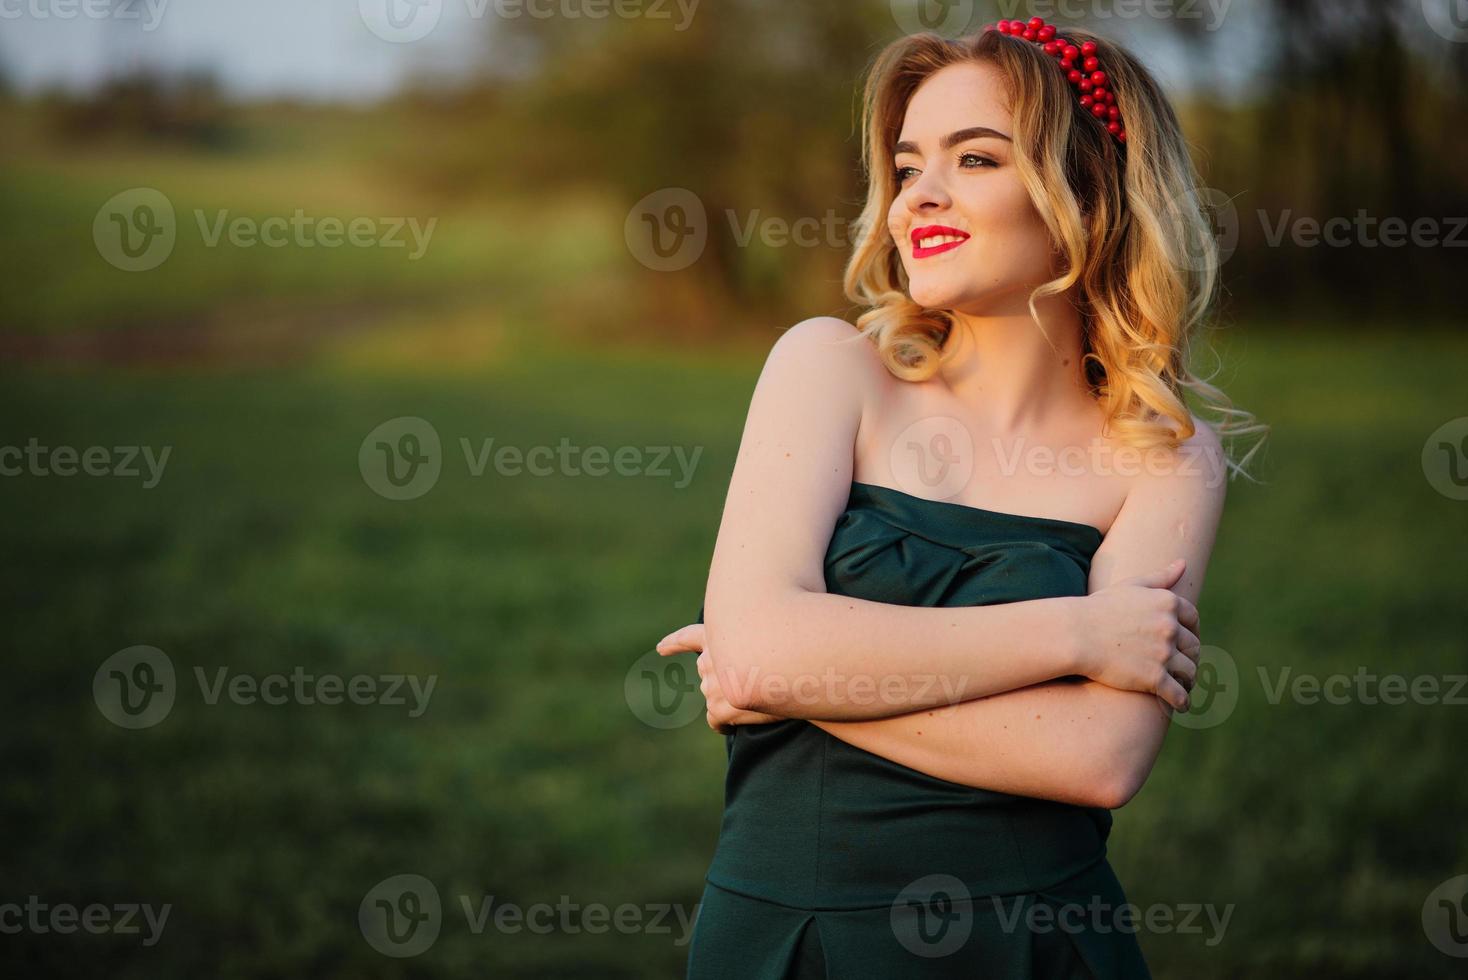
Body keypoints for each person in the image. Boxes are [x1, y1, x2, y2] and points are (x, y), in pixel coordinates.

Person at [656, 19, 1266, 979]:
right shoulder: (828, 369)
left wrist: (793, 681)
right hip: (787, 938)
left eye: (974, 158)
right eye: (906, 167)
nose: (918, 199)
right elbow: (764, 648)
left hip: (1037, 942)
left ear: (1089, 191)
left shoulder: (1164, 454)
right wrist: (1079, 635)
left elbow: (1098, 759)